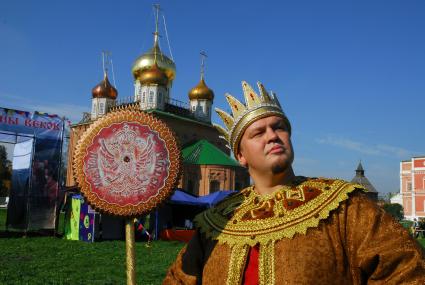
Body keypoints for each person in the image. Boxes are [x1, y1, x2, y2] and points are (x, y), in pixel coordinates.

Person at [163, 81, 425, 284]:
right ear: (240, 155)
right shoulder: (215, 223)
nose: (273, 136)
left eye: (279, 127)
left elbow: (407, 270)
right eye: (258, 132)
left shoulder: (344, 207)